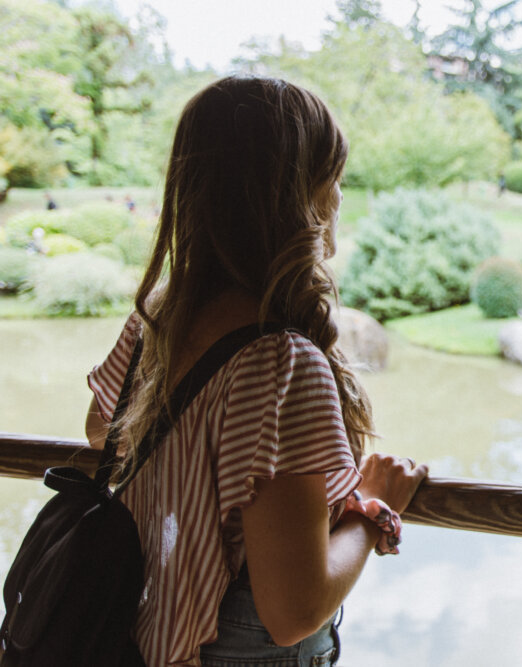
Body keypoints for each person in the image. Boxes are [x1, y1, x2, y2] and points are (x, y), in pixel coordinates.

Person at [84, 76, 428, 666]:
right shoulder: (282, 361)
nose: (339, 197)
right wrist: (373, 509)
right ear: (305, 198)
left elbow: (102, 432)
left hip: (145, 634)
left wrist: (197, 489)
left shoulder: (160, 317)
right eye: (333, 179)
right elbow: (292, 612)